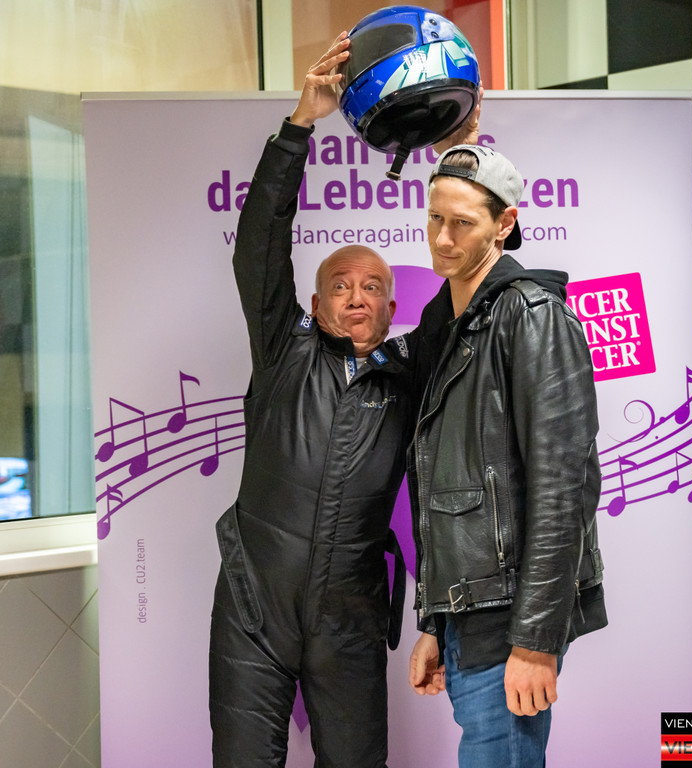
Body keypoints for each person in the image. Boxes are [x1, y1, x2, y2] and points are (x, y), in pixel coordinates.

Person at [208, 32, 463, 768]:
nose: (356, 296)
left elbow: (465, 282)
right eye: (340, 286)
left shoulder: (411, 372)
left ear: (392, 308)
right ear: (315, 306)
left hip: (349, 620)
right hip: (253, 610)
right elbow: (260, 246)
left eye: (372, 287)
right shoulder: (283, 350)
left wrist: (457, 158)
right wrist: (300, 126)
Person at [407, 141, 608, 767]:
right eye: (435, 217)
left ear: (505, 224)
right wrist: (436, 622)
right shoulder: (447, 325)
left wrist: (536, 641)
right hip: (471, 616)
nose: (443, 237)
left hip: (512, 622)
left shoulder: (533, 315)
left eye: (462, 223)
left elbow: (564, 488)